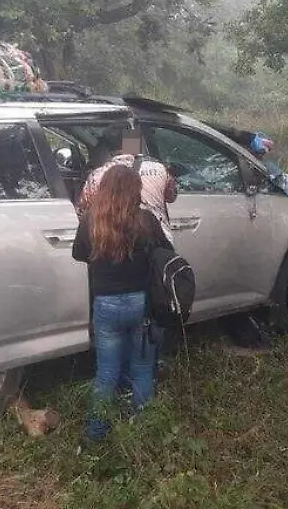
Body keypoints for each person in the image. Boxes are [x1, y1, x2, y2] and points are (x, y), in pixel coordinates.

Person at [72, 164, 173, 442]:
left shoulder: (92, 220)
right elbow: (167, 252)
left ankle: (96, 433)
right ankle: (141, 430)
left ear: (104, 189)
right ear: (134, 190)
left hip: (106, 305)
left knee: (106, 372)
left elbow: (78, 254)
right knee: (142, 369)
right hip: (141, 304)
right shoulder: (146, 221)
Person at [79, 126, 178, 238]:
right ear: (134, 144)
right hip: (157, 242)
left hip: (116, 244)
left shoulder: (95, 176)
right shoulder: (160, 169)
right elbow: (171, 196)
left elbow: (83, 210)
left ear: (108, 148)